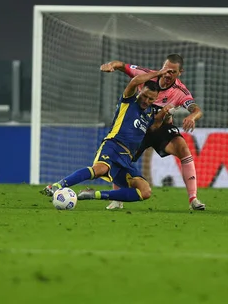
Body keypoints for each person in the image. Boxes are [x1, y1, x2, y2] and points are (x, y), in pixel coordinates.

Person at [42, 69, 175, 203]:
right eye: (144, 95)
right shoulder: (129, 101)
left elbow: (154, 127)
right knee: (100, 169)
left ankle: (95, 195)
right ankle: (57, 186)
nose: (146, 100)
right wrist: (159, 73)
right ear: (140, 91)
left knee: (145, 191)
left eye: (150, 99)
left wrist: (165, 113)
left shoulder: (150, 113)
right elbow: (135, 81)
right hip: (113, 145)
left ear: (155, 99)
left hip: (127, 158)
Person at [100, 54, 206, 211]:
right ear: (162, 67)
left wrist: (192, 116)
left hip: (160, 127)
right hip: (138, 125)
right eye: (166, 70)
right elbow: (122, 64)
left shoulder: (180, 91)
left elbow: (196, 109)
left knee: (183, 148)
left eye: (173, 72)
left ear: (180, 73)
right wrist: (111, 65)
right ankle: (117, 199)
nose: (168, 74)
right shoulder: (146, 75)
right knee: (121, 157)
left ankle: (193, 199)